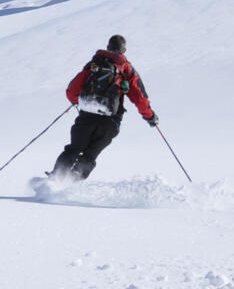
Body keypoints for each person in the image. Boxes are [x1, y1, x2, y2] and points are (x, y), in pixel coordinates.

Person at [49, 34, 157, 182]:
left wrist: (78, 102)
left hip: (87, 116)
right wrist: (150, 116)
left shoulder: (94, 64)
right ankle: (70, 184)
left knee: (73, 149)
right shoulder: (127, 69)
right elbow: (139, 97)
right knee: (90, 155)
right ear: (124, 50)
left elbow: (72, 90)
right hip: (110, 121)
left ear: (108, 47)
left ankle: (55, 180)